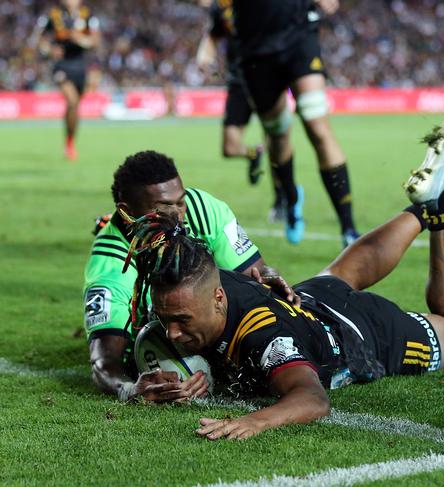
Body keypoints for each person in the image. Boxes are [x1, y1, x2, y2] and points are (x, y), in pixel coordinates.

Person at [130, 114, 444, 439]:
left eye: (181, 320)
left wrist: (255, 420)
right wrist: (143, 382)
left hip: (362, 334)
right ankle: (422, 208)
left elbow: (313, 399)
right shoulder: (193, 275)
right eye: (166, 319)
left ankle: (442, 206)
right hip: (309, 299)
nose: (171, 332)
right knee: (341, 274)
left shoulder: (265, 340)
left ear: (218, 298)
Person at [83, 150, 297, 402]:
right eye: (163, 208)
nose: (178, 215)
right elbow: (104, 361)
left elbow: (255, 274)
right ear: (127, 211)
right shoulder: (111, 263)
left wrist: (269, 278)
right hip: (157, 348)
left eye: (180, 202)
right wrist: (129, 389)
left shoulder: (203, 210)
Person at [231, 0, 360, 246]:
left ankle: (349, 229)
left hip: (298, 33)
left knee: (315, 120)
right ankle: (291, 200)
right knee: (278, 132)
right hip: (255, 44)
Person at [195, 0, 267, 190]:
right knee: (230, 148)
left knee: (276, 142)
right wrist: (205, 57)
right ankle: (254, 153)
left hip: (268, 76)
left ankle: (283, 200)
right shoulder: (220, 8)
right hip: (238, 79)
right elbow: (212, 36)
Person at [30, 0, 100, 161]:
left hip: (81, 65)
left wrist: (81, 39)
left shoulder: (88, 15)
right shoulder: (52, 15)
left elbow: (95, 41)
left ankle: (70, 140)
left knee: (74, 108)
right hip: (61, 65)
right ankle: (69, 146)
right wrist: (48, 50)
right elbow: (38, 39)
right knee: (72, 101)